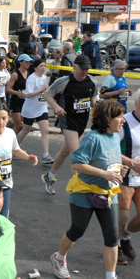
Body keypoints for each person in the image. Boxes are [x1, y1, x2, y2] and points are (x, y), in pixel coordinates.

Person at [50, 100, 127, 279]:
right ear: (107, 118)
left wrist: (120, 167)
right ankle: (59, 258)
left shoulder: (115, 136)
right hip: (84, 191)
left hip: (108, 192)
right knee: (78, 229)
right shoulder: (92, 137)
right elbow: (77, 163)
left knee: (112, 236)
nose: (123, 120)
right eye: (119, 117)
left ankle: (110, 276)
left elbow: (110, 157)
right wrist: (104, 173)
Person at [42, 55, 99, 195]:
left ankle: (49, 176)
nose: (84, 72)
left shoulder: (92, 81)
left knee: (65, 151)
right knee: (76, 153)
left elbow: (93, 98)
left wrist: (96, 104)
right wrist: (56, 107)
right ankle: (78, 188)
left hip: (82, 121)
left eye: (87, 69)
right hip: (67, 120)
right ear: (74, 67)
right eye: (82, 69)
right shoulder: (64, 81)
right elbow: (47, 94)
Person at [118, 92, 140, 265]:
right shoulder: (124, 122)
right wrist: (131, 162)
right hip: (124, 174)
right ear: (137, 103)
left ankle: (125, 238)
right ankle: (115, 245)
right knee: (123, 215)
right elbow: (110, 149)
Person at [17, 58, 53, 164]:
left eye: (44, 66)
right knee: (26, 129)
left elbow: (46, 91)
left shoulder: (44, 77)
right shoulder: (31, 78)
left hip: (42, 108)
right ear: (35, 68)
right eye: (41, 66)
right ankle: (14, 148)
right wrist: (42, 88)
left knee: (45, 131)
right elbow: (28, 94)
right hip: (30, 109)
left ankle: (46, 155)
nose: (43, 68)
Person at [6, 54, 32, 134]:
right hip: (16, 102)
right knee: (19, 125)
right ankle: (9, 141)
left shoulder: (29, 73)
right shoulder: (15, 74)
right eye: (26, 62)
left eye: (29, 62)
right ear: (20, 62)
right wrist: (16, 92)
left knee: (25, 126)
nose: (28, 64)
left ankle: (15, 142)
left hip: (26, 102)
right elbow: (8, 88)